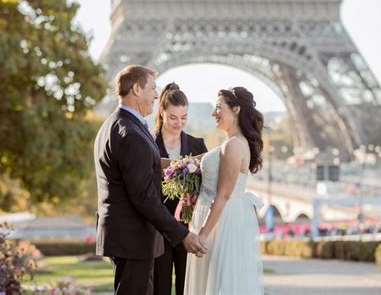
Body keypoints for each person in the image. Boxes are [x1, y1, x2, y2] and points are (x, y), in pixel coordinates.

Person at [93, 65, 207, 294]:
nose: (156, 95)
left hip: (127, 237)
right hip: (134, 239)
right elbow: (144, 197)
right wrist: (182, 235)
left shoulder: (114, 125)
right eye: (153, 88)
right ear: (136, 89)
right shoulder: (131, 133)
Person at [184, 87, 264, 294]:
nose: (214, 113)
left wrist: (202, 236)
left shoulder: (234, 145)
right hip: (218, 219)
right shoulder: (231, 143)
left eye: (219, 107)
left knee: (218, 283)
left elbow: (224, 194)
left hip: (221, 223)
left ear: (236, 109)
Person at [153, 82, 208, 295]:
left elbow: (206, 186)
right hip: (157, 228)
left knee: (188, 287)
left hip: (188, 228)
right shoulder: (147, 142)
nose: (178, 123)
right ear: (162, 112)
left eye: (183, 117)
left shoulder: (197, 145)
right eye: (173, 117)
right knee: (160, 287)